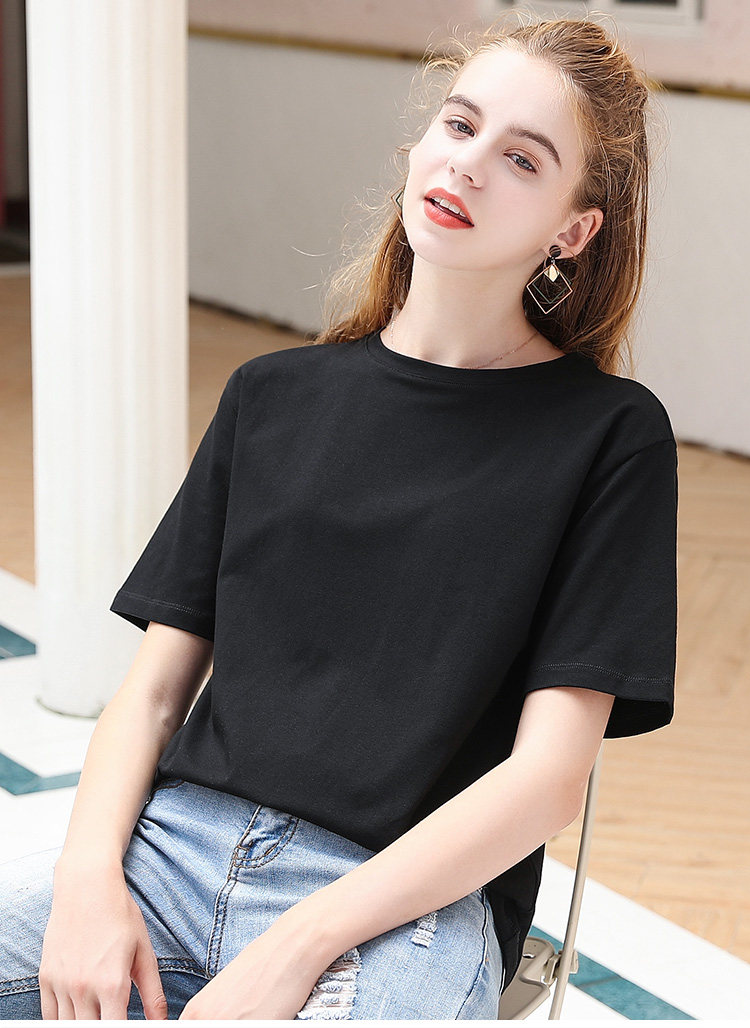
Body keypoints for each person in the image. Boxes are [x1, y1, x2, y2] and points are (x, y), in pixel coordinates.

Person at [0, 10, 679, 1021]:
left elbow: (547, 780)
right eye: (460, 125)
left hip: (404, 907)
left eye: (522, 159)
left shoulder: (609, 436)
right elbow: (149, 696)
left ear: (572, 231)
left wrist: (298, 944)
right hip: (172, 850)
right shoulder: (271, 397)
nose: (469, 164)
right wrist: (88, 880)